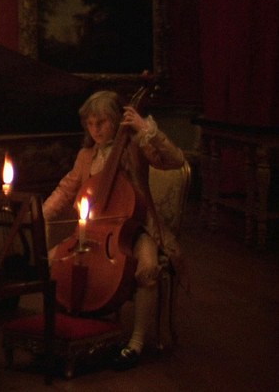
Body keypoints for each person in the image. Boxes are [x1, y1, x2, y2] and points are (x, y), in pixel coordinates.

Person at [42, 90, 185, 370]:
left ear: (117, 121)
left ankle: (136, 342)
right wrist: (37, 215)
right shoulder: (86, 156)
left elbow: (176, 160)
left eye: (102, 123)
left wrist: (145, 128)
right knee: (50, 260)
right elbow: (66, 189)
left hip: (135, 230)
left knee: (147, 268)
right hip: (93, 231)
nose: (95, 130)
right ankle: (63, 331)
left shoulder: (135, 148)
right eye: (90, 124)